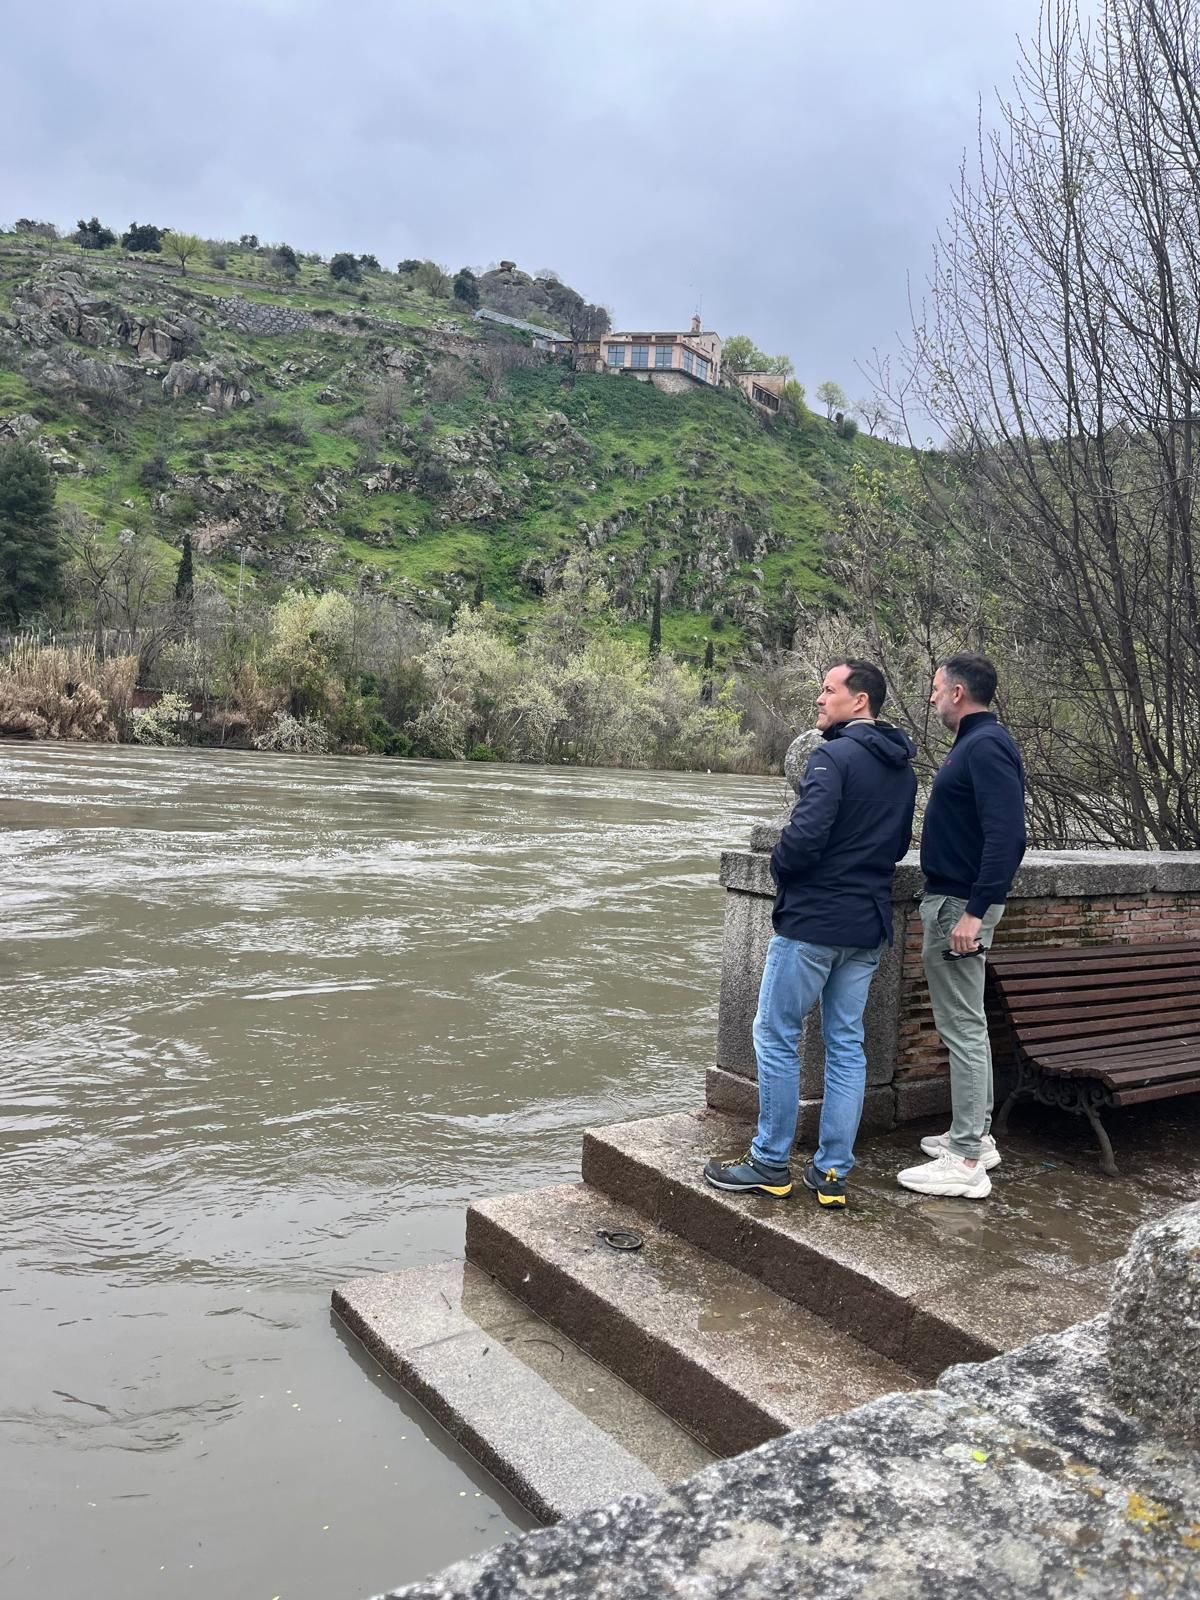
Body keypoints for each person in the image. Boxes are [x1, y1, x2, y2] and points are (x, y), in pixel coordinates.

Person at [704, 660, 917, 1208]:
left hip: (815, 923)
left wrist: (783, 871)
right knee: (846, 1045)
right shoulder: (902, 769)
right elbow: (895, 849)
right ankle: (831, 1175)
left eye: (828, 690)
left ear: (860, 701)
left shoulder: (832, 756)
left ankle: (770, 1163)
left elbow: (802, 839)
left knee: (775, 1035)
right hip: (867, 924)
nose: (819, 700)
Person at [896, 653, 1026, 1200]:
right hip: (954, 899)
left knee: (963, 1028)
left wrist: (974, 912)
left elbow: (1008, 837)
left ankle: (967, 1158)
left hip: (958, 904)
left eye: (934, 688)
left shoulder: (987, 744)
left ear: (957, 693)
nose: (929, 698)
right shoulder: (977, 741)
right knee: (965, 1024)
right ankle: (976, 1137)